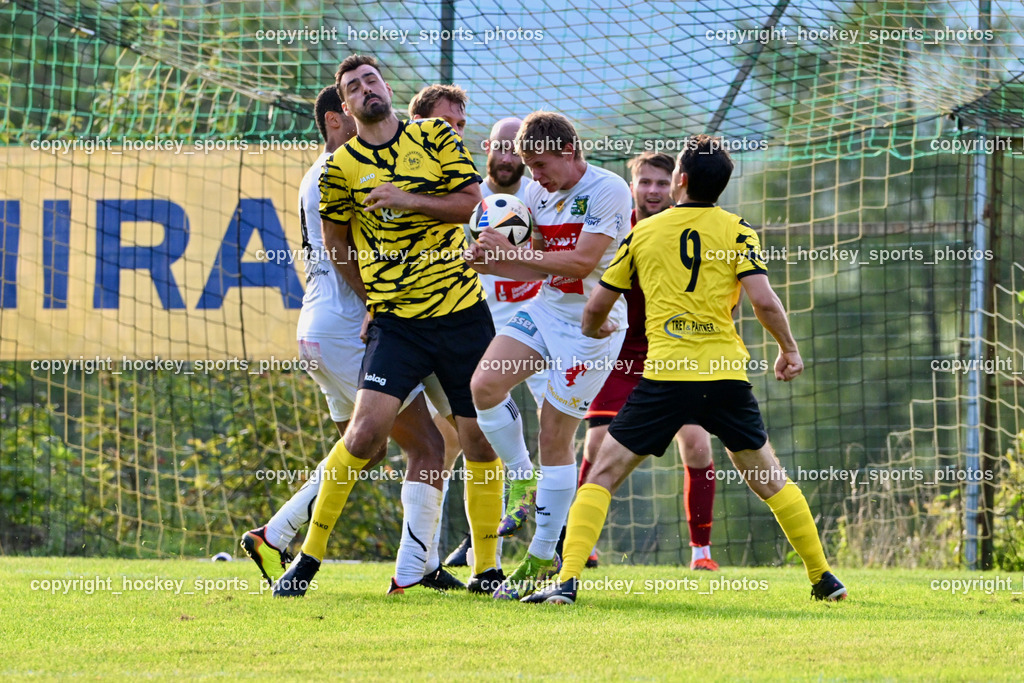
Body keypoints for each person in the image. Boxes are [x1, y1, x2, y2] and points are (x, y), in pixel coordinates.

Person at [525, 134, 847, 605]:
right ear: (722, 186)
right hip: (725, 378)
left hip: (666, 378)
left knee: (603, 476)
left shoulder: (643, 233)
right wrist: (789, 350)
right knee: (771, 479)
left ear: (679, 181)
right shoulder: (738, 230)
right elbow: (763, 300)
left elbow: (596, 306)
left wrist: (593, 332)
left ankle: (567, 581)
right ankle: (823, 578)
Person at [274, 55, 504, 597]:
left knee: (478, 440)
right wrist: (373, 298)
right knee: (364, 434)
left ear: (387, 88)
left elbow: (471, 203)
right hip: (396, 325)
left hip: (460, 316)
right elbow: (335, 244)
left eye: (371, 80)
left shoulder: (435, 139)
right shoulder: (337, 169)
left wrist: (407, 199)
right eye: (352, 88)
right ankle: (305, 561)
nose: (365, 90)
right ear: (344, 108)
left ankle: (487, 568)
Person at [240, 85, 463, 592]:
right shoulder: (341, 171)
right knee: (428, 446)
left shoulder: (316, 174)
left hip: (317, 329)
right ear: (335, 120)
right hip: (350, 326)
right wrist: (380, 302)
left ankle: (274, 533)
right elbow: (355, 250)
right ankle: (418, 566)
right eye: (351, 106)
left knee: (367, 447)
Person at [466, 111, 632, 599]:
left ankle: (541, 556)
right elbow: (538, 265)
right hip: (545, 310)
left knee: (554, 435)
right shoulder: (536, 191)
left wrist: (511, 256)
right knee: (484, 385)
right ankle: (521, 480)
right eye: (529, 167)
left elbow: (581, 262)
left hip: (592, 329)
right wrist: (490, 258)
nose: (533, 177)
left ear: (569, 150)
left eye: (540, 165)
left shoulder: (609, 190)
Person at [579, 152, 718, 572]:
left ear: (676, 185)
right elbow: (583, 273)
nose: (653, 191)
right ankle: (580, 543)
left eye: (661, 183)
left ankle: (701, 554)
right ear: (632, 185)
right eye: (645, 183)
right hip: (619, 351)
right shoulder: (616, 225)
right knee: (598, 444)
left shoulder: (689, 230)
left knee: (696, 442)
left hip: (675, 353)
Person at [444, 116, 548, 568]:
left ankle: (554, 527)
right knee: (457, 440)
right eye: (500, 148)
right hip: (483, 328)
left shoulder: (539, 197)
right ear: (486, 147)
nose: (507, 158)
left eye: (516, 151)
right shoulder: (470, 199)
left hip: (538, 327)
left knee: (555, 429)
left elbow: (554, 252)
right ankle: (476, 541)